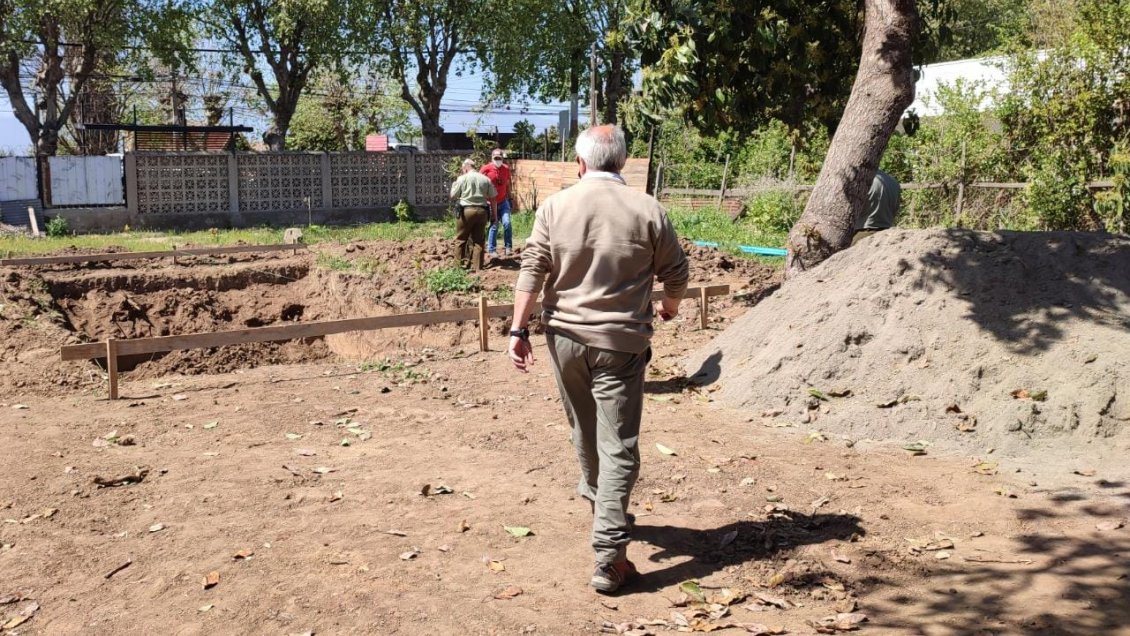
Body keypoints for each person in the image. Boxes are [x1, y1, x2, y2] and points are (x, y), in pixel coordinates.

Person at [507, 125, 689, 594]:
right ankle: (609, 557)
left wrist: (517, 329)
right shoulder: (648, 209)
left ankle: (600, 505)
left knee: (584, 429)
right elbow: (677, 272)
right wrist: (669, 305)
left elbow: (532, 270)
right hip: (621, 344)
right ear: (622, 163)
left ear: (580, 164)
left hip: (564, 339)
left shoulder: (555, 206)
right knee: (620, 446)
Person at [449, 158, 496, 270]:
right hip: (482, 212)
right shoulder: (485, 179)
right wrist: (495, 215)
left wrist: (454, 184)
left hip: (466, 211)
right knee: (479, 240)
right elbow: (493, 198)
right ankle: (477, 268)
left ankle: (457, 268)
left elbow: (453, 195)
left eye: (462, 168)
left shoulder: (462, 178)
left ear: (466, 167)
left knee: (461, 239)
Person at [481, 148, 514, 258]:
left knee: (507, 223)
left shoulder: (506, 169)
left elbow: (508, 185)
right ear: (492, 158)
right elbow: (480, 185)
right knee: (494, 225)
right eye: (495, 158)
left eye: (499, 157)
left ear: (502, 158)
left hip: (503, 201)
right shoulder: (486, 169)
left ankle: (508, 247)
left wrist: (510, 198)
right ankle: (491, 249)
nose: (498, 159)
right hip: (491, 203)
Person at [853, 169, 901, 245]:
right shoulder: (893, 181)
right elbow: (896, 208)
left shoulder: (862, 180)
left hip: (863, 232)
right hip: (887, 233)